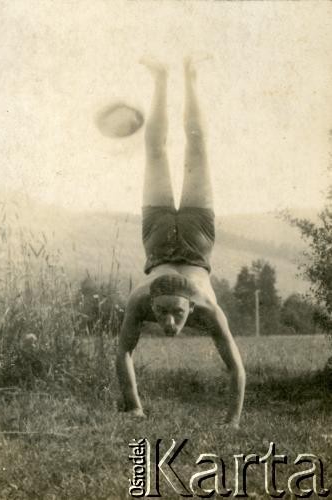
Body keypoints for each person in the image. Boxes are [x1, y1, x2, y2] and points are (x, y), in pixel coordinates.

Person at [116, 57, 245, 428]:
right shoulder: (141, 300)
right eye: (164, 314)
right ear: (151, 304)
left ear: (192, 306)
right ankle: (163, 77)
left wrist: (233, 422)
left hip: (157, 238)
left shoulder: (205, 306)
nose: (170, 323)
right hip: (198, 235)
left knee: (174, 149)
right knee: (196, 150)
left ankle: (183, 78)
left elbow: (235, 367)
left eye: (175, 314)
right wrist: (134, 407)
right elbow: (123, 351)